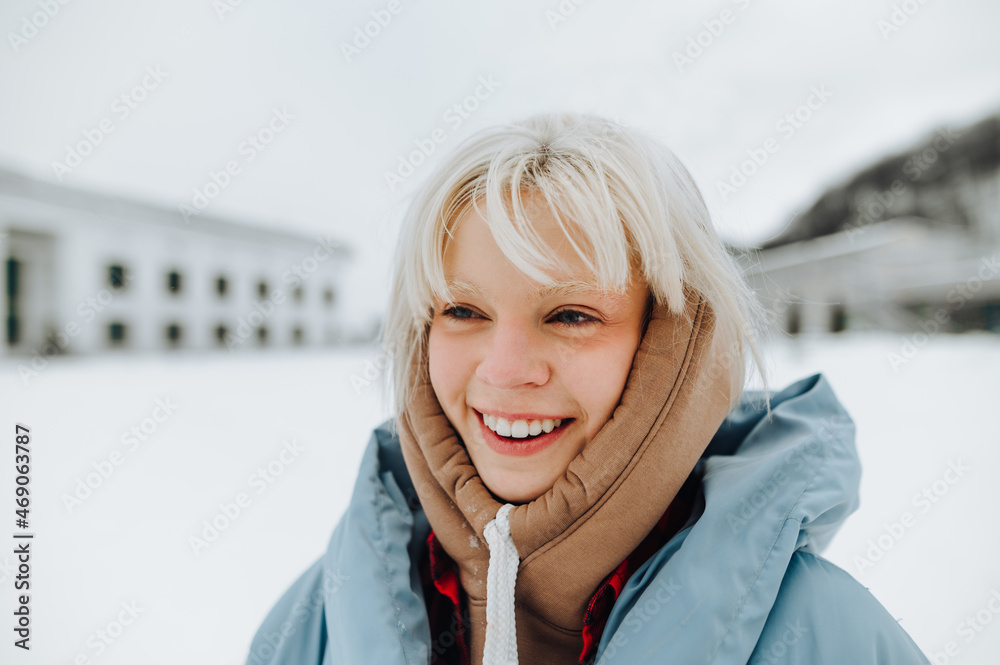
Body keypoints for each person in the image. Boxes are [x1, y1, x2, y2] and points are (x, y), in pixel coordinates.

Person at [245, 113, 930, 664]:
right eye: (462, 311)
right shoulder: (318, 622)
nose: (506, 369)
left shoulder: (823, 633)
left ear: (673, 345)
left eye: (572, 315)